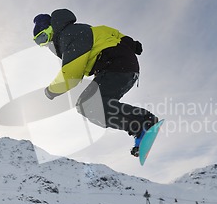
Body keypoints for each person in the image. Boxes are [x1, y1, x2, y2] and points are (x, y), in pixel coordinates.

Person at [33, 9, 158, 155]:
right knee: (98, 104)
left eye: (43, 37)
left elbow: (71, 75)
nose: (45, 43)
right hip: (126, 68)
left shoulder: (69, 35)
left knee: (88, 105)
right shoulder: (85, 29)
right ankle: (141, 127)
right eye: (39, 42)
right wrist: (132, 44)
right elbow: (112, 33)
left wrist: (51, 91)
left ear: (51, 28)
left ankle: (143, 122)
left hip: (114, 65)